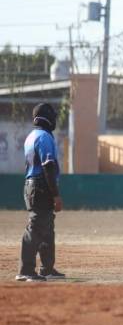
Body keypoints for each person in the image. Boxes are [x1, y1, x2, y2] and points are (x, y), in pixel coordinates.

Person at [16, 103, 65, 281]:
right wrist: (56, 195)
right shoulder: (44, 137)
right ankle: (26, 270)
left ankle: (47, 269)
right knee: (36, 228)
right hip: (40, 186)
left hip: (32, 185)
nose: (54, 119)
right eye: (52, 116)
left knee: (47, 228)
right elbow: (48, 166)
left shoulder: (32, 136)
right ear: (46, 118)